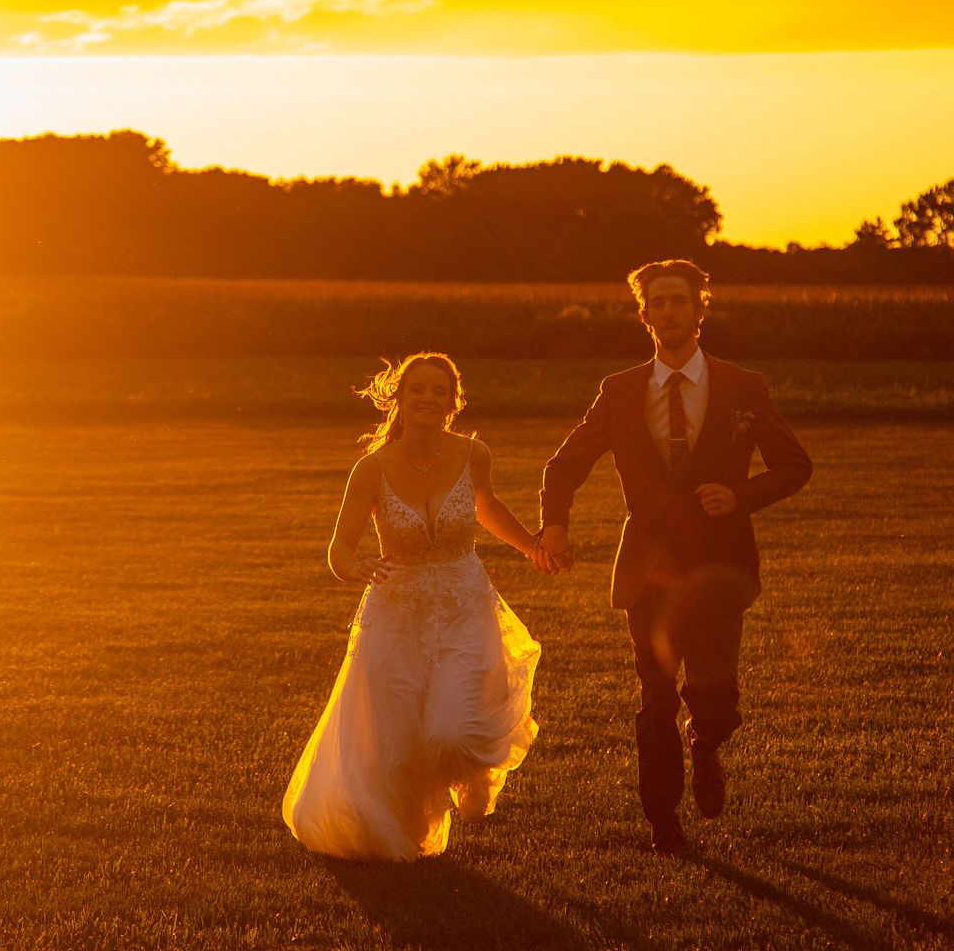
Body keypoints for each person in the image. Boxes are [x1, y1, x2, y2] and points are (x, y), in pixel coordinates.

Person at [533, 259, 812, 856]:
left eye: (679, 300)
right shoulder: (620, 390)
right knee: (655, 699)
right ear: (645, 315)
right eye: (657, 302)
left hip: (719, 567)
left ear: (699, 309)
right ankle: (663, 822)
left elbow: (795, 465)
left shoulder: (743, 385)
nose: (669, 311)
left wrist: (739, 495)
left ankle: (707, 741)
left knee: (716, 699)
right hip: (649, 572)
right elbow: (565, 465)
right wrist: (554, 526)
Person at [283, 352, 542, 861]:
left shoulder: (474, 454)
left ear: (452, 402)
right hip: (395, 615)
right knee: (396, 745)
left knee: (452, 732)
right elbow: (339, 549)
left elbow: (486, 507)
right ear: (398, 399)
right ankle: (400, 835)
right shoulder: (371, 468)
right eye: (417, 389)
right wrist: (354, 568)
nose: (427, 398)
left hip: (464, 607)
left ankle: (474, 778)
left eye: (438, 391)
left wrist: (532, 546)